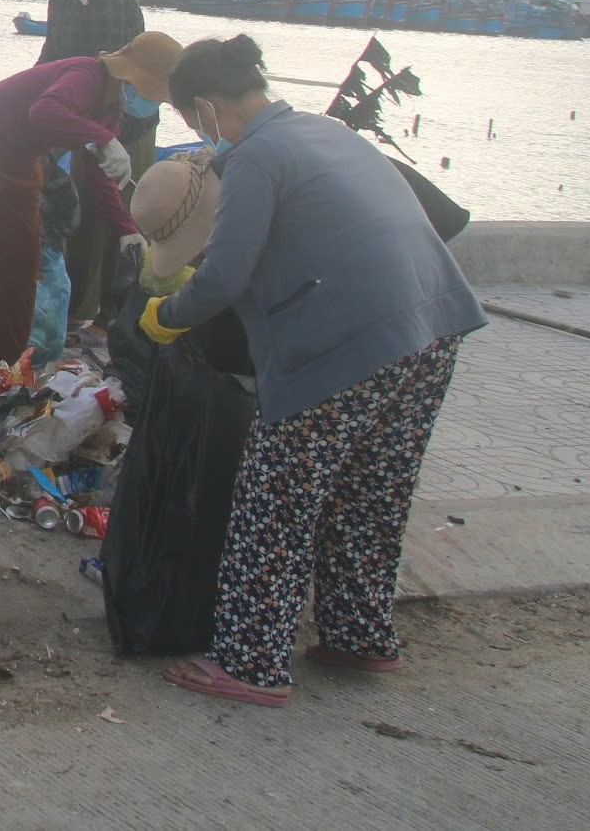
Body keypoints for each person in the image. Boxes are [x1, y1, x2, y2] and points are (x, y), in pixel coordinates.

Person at [141, 36, 487, 707]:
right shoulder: (325, 132)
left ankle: (251, 662)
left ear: (207, 106)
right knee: (371, 491)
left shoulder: (258, 156)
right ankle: (360, 635)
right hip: (432, 328)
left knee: (276, 499)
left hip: (350, 344)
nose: (194, 132)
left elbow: (224, 276)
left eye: (189, 119)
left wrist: (168, 313)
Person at [0, 32, 181, 367]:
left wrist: (126, 229)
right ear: (132, 77)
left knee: (24, 261)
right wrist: (101, 138)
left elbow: (99, 176)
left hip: (21, 158)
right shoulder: (86, 76)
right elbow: (44, 111)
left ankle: (8, 367)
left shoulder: (112, 108)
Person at [8, 0, 155, 320]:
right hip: (76, 108)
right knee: (80, 210)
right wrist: (25, 96)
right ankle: (76, 309)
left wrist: (99, 135)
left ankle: (108, 312)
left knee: (111, 209)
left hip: (120, 114)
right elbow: (51, 55)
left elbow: (107, 70)